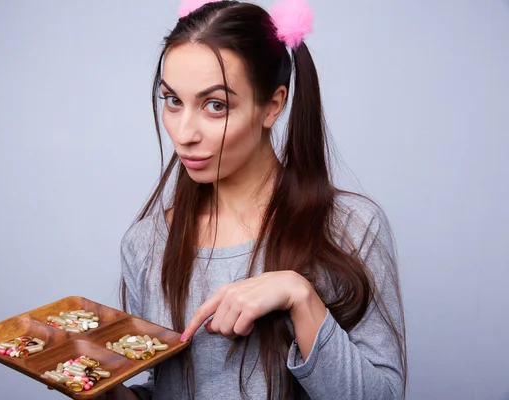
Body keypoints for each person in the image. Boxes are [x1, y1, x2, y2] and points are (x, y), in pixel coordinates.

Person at [108, 0, 407, 398]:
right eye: (173, 100)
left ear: (273, 105)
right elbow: (170, 389)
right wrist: (108, 392)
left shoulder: (350, 226)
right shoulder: (146, 243)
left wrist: (300, 296)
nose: (184, 132)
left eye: (215, 106)